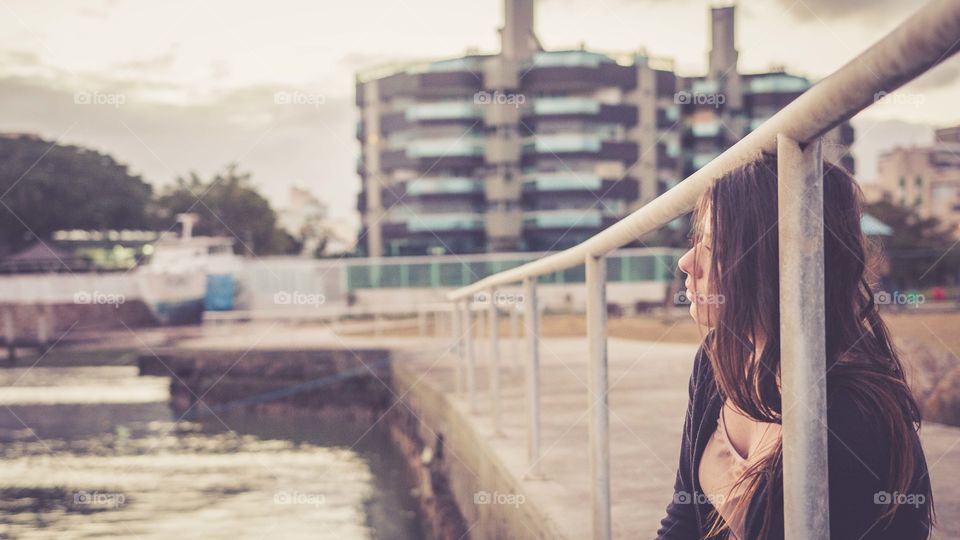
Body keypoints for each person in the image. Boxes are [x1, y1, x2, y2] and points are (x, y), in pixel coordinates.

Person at [656, 153, 935, 539]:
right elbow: (683, 520)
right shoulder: (720, 355)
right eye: (695, 241)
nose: (686, 263)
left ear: (773, 260)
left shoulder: (851, 419)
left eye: (713, 247)